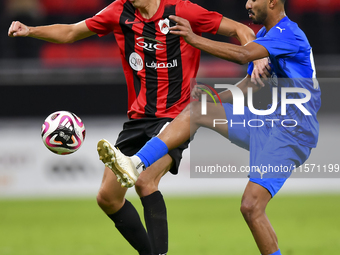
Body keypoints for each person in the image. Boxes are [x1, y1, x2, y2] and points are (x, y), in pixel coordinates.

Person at [8, 0, 269, 254]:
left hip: (177, 118)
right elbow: (71, 31)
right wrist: (30, 30)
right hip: (138, 119)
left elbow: (240, 29)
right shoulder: (118, 11)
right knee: (107, 198)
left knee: (145, 180)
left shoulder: (182, 9)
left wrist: (257, 57)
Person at [96, 0, 321, 255]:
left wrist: (193, 38)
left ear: (271, 2)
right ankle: (135, 163)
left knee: (251, 206)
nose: (247, 4)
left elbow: (242, 54)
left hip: (292, 131)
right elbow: (250, 86)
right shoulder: (265, 36)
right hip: (265, 123)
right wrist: (212, 100)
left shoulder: (288, 34)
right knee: (197, 110)